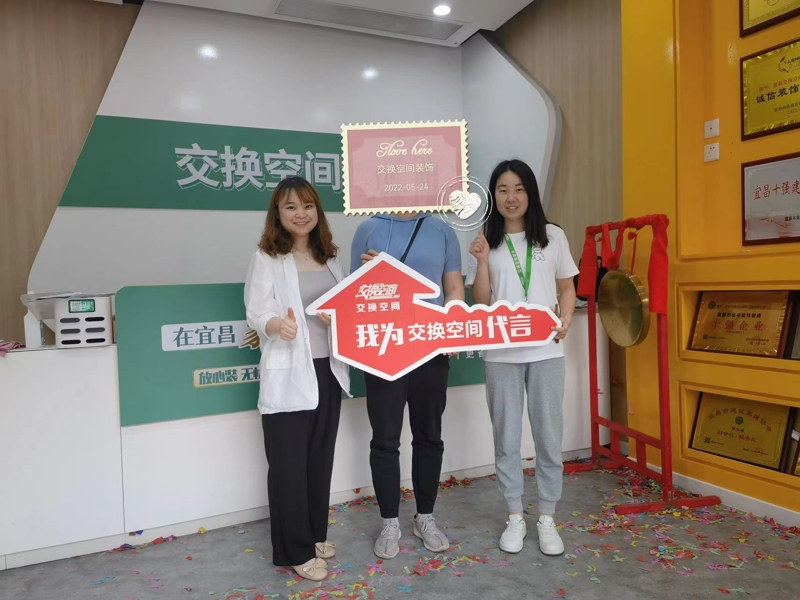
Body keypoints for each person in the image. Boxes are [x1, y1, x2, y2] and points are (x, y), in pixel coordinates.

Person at [466, 159, 578, 557]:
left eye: (518, 189)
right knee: (506, 437)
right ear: (493, 196)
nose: (511, 197)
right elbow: (481, 301)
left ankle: (547, 515)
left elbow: (567, 288)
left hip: (546, 351)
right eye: (502, 190)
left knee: (548, 436)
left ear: (531, 192)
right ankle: (515, 514)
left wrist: (566, 320)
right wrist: (482, 261)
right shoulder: (487, 239)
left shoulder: (553, 236)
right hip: (501, 355)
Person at [244, 177, 350, 581]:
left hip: (328, 370)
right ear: (278, 213)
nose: (300, 214)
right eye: (290, 207)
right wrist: (276, 325)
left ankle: (314, 535)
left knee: (319, 459)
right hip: (288, 372)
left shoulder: (330, 258)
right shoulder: (267, 257)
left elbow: (345, 306)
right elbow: (257, 310)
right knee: (289, 466)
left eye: (307, 205)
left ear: (317, 210)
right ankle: (294, 550)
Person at [350, 211, 464, 559]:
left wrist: (452, 327)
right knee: (385, 440)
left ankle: (425, 517)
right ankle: (389, 522)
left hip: (431, 345)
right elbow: (353, 294)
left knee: (429, 436)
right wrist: (372, 275)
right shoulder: (369, 227)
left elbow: (453, 288)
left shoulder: (441, 229)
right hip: (383, 347)